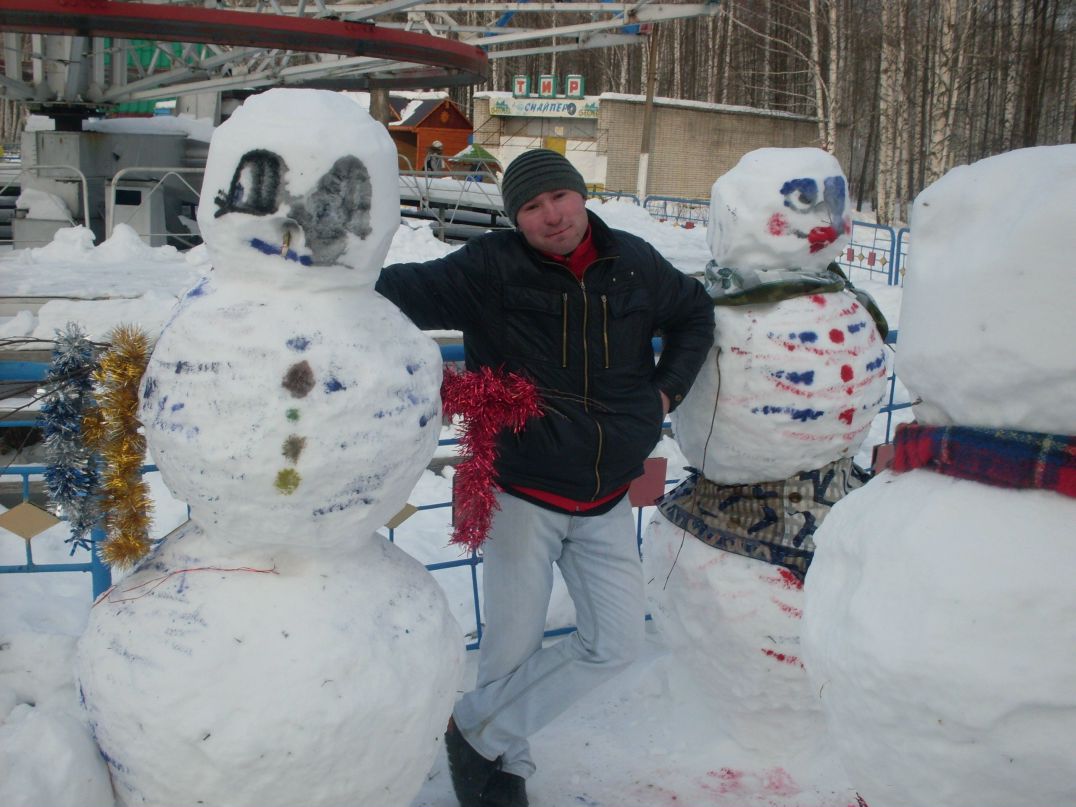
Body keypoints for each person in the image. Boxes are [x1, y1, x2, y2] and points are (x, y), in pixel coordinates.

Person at [375, 149, 715, 807]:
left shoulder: (635, 263)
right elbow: (392, 291)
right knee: (511, 642)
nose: (550, 215)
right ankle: (502, 763)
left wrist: (665, 394)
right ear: (515, 218)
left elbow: (694, 312)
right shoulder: (489, 268)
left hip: (609, 492)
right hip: (521, 489)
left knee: (614, 641)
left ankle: (476, 728)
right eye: (530, 207)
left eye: (557, 197)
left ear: (579, 195)